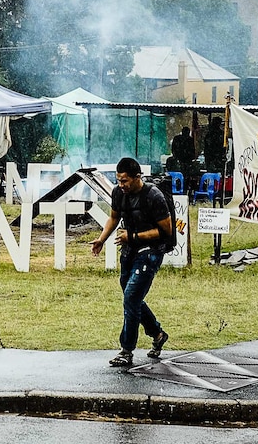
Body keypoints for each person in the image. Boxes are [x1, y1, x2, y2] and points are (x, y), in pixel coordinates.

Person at [90, 157, 173, 367]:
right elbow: (114, 218)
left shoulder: (154, 196)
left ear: (137, 178)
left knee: (131, 297)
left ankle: (126, 350)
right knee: (132, 299)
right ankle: (157, 334)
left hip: (151, 252)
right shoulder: (119, 193)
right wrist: (101, 239)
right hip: (129, 252)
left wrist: (133, 237)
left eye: (125, 181)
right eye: (118, 180)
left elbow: (166, 231)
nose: (121, 185)